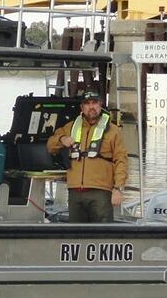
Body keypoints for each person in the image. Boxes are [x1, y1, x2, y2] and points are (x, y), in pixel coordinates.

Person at [46, 90, 127, 223]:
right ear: (82, 107)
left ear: (100, 105)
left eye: (94, 103)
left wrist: (118, 189)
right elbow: (50, 146)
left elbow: (121, 161)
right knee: (75, 235)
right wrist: (62, 139)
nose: (91, 107)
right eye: (87, 104)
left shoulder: (113, 131)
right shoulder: (70, 127)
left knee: (103, 235)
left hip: (100, 193)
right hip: (75, 193)